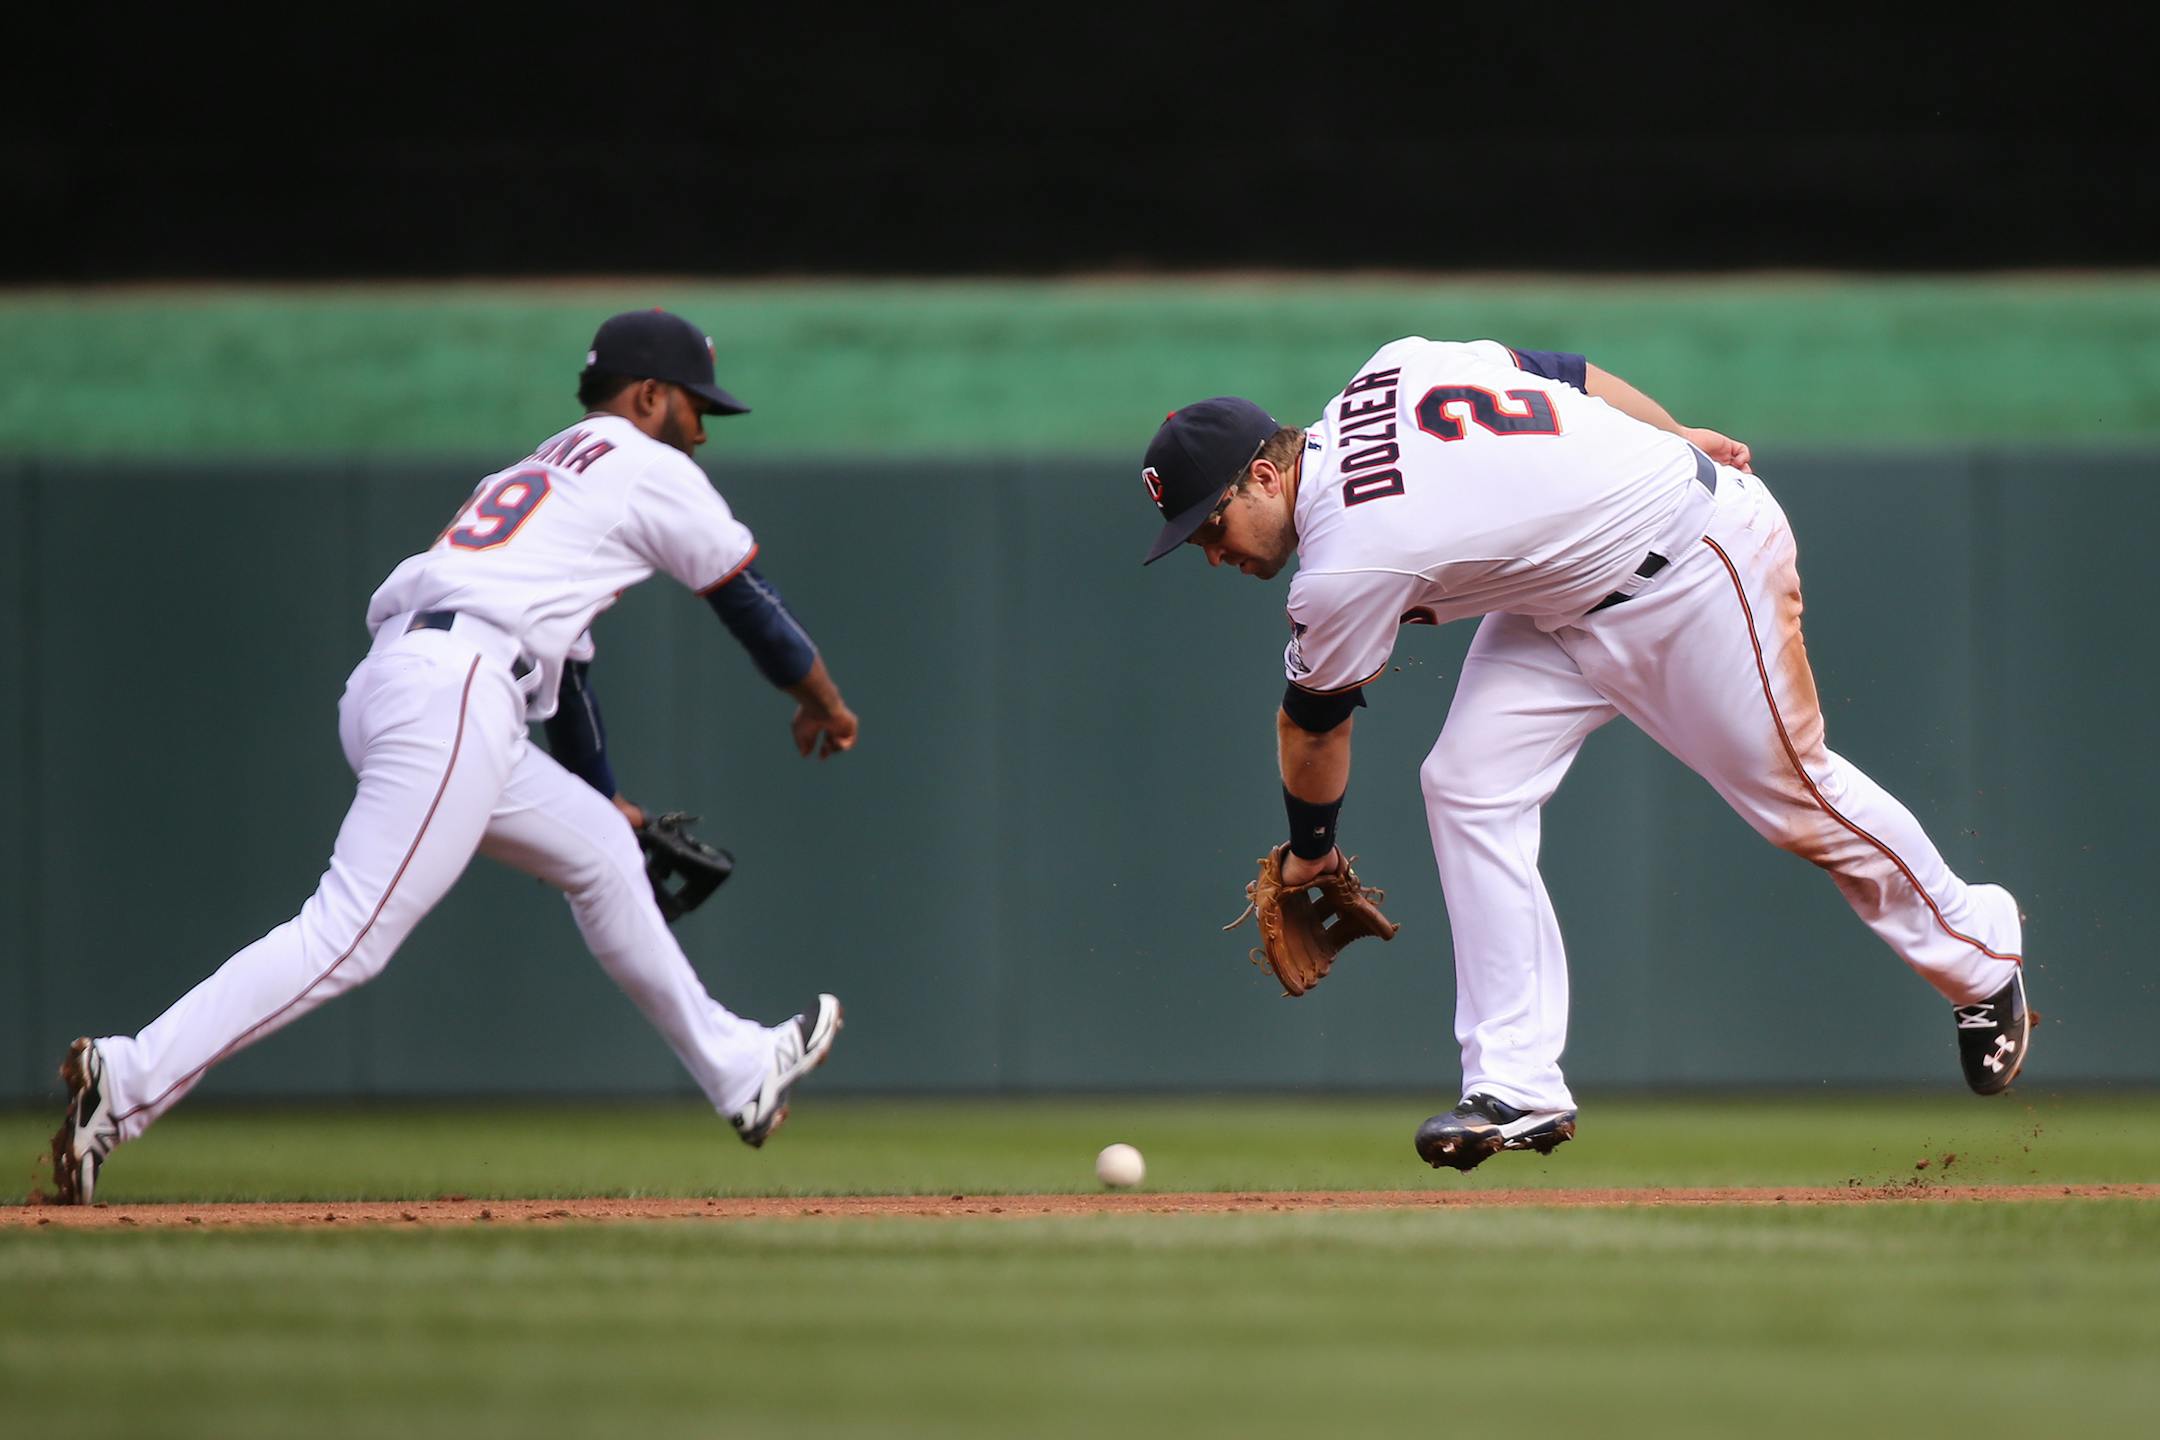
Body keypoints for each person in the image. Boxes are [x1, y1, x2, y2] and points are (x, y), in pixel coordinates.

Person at [1139, 337, 2032, 1172]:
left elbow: (1315, 723)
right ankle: (1515, 1087)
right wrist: (1671, 429)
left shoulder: (1343, 563)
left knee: (1798, 799)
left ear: (1264, 474)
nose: (1211, 554)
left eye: (1210, 526)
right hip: (1563, 598)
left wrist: (1309, 851)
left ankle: (1979, 953)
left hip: (1693, 565)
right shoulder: (1390, 369)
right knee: (1466, 787)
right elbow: (1562, 369)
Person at [49, 309, 859, 1203]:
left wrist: (609, 798)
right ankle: (125, 1081)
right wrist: (822, 701)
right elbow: (745, 597)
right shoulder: (642, 462)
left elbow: (570, 687)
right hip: (456, 690)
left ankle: (738, 1070)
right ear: (649, 396)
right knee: (345, 936)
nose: (703, 428)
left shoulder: (543, 471)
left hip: (423, 680)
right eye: (695, 405)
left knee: (600, 850)